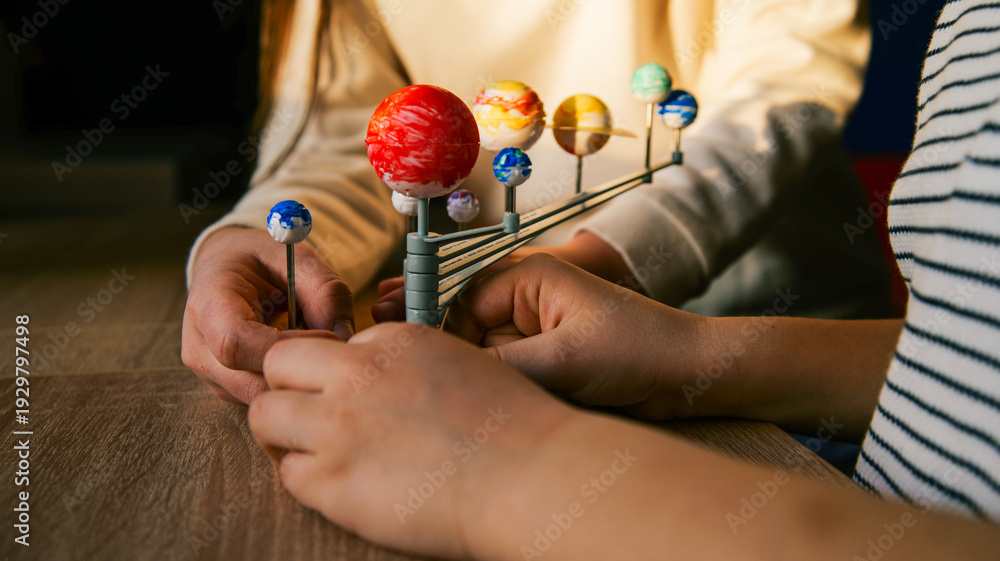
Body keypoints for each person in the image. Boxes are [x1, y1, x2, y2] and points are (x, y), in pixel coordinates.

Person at [245, 0, 1000, 558]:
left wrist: (509, 463)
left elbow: (781, 82)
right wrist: (253, 239)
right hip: (626, 376)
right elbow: (962, 371)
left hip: (788, 412)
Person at [181, 0, 891, 405]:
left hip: (779, 354)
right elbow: (355, 132)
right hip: (497, 349)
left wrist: (611, 258)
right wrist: (250, 234)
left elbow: (785, 82)